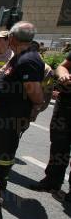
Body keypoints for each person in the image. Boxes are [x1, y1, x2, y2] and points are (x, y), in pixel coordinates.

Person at [0, 22, 45, 192]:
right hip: (1, 113)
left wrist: (35, 107)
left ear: (12, 38)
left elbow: (34, 91)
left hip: (12, 116)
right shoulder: (19, 56)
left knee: (4, 153)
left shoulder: (29, 59)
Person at [31, 51, 71, 202]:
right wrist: (64, 74)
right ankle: (52, 181)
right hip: (66, 102)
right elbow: (62, 67)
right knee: (59, 143)